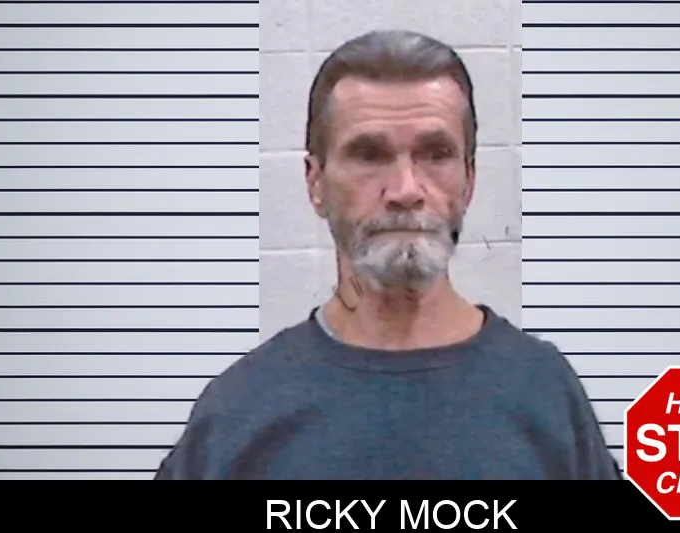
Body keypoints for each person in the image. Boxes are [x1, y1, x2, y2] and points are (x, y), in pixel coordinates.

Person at [154, 29, 622, 480]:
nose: (405, 190)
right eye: (369, 155)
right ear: (315, 183)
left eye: (435, 154)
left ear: (469, 179)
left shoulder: (545, 392)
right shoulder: (240, 409)